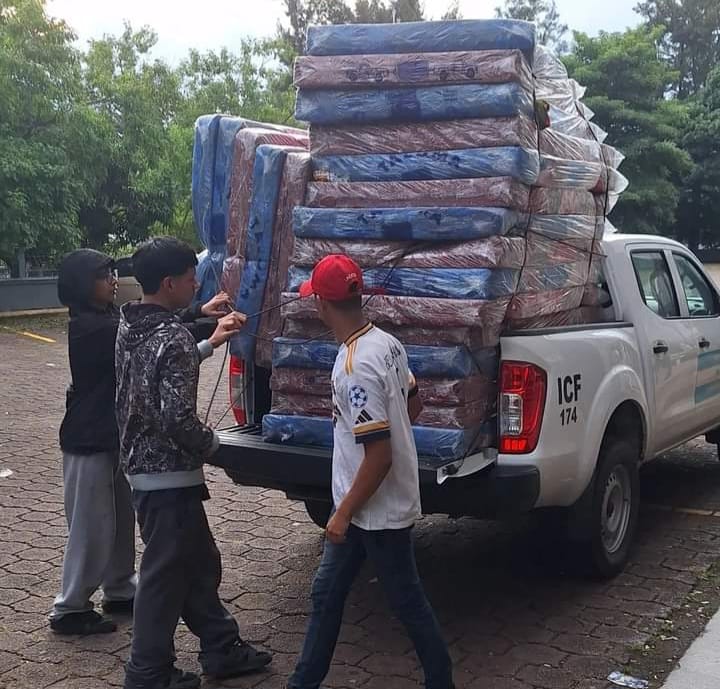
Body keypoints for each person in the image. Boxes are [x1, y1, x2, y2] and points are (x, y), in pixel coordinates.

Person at [287, 255, 454, 689]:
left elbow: (378, 456)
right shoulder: (386, 342)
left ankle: (442, 682)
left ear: (321, 303)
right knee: (326, 595)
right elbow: (414, 403)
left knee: (408, 602)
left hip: (373, 511)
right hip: (366, 505)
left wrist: (342, 513)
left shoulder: (354, 366)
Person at [51, 249, 236, 636]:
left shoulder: (107, 320)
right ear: (83, 285)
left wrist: (201, 312)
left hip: (115, 437)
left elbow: (160, 327)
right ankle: (70, 607)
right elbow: (163, 338)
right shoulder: (92, 328)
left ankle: (119, 587)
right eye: (104, 275)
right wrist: (205, 329)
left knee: (119, 521)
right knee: (92, 526)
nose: (113, 279)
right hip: (88, 441)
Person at [115, 237, 272, 689]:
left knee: (199, 562)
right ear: (168, 283)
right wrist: (220, 449)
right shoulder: (174, 339)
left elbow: (156, 366)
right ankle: (148, 672)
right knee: (164, 576)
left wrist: (206, 339)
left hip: (142, 467)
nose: (196, 286)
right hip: (168, 477)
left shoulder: (129, 323)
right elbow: (178, 419)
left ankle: (221, 647)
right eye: (190, 279)